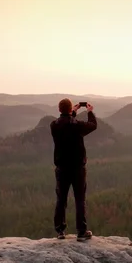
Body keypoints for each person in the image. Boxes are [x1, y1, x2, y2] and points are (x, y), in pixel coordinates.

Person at [50, 98, 97, 241]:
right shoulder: (77, 126)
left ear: (59, 110)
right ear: (70, 109)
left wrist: (73, 112)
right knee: (79, 199)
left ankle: (60, 231)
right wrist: (89, 112)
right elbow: (92, 125)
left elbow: (65, 124)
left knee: (61, 199)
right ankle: (81, 232)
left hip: (62, 169)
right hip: (77, 169)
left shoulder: (54, 125)